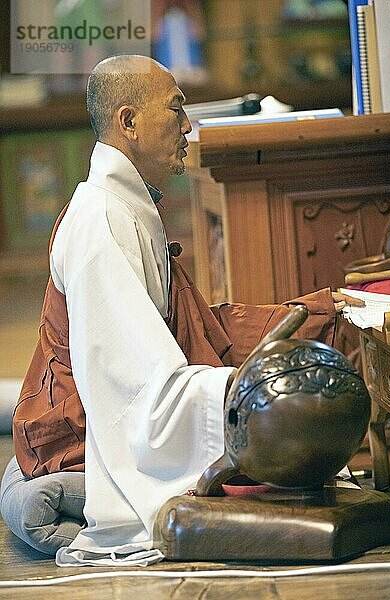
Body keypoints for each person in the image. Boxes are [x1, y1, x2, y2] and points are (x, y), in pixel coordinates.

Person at [11, 55, 362, 566]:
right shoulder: (100, 221)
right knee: (281, 392)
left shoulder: (127, 203)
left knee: (319, 324)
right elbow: (132, 391)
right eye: (176, 111)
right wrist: (241, 391)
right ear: (128, 122)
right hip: (74, 426)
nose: (188, 126)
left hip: (121, 395)